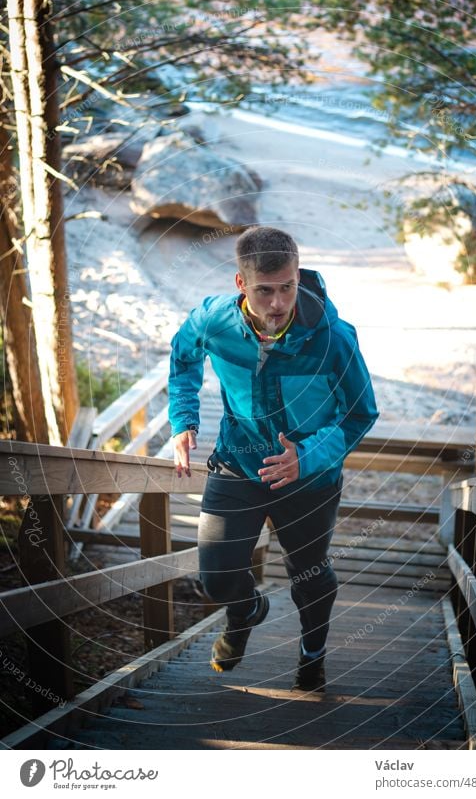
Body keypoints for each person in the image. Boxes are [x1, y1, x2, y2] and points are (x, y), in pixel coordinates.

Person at [169, 226, 378, 691]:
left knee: (308, 573)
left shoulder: (334, 338)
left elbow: (361, 412)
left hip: (309, 477)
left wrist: (307, 456)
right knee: (216, 577)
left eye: (287, 287)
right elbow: (183, 357)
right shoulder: (213, 320)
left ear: (297, 276)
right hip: (237, 463)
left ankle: (313, 653)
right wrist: (182, 418)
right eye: (265, 291)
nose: (278, 303)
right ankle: (246, 611)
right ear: (241, 285)